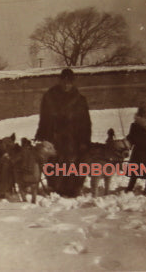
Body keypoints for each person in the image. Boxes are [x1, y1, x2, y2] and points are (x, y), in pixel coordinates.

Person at [34, 68, 91, 197]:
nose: (66, 85)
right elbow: (44, 118)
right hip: (53, 137)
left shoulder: (80, 99)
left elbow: (86, 123)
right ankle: (55, 187)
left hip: (73, 138)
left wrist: (84, 141)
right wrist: (41, 134)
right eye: (64, 81)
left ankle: (72, 189)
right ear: (60, 81)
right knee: (53, 162)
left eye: (69, 82)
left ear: (73, 83)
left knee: (73, 162)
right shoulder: (49, 97)